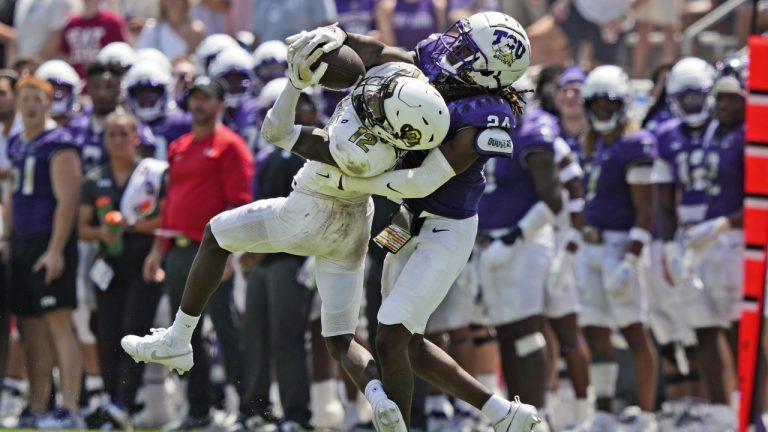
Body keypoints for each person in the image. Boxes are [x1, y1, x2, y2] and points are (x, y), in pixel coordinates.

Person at [123, 62, 451, 432]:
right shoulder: (400, 150)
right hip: (354, 229)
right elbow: (423, 182)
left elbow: (275, 130)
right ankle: (378, 399)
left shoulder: (345, 137)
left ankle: (178, 337)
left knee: (215, 234)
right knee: (341, 338)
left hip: (308, 210)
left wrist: (294, 82)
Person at [287, 11, 540, 431]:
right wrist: (336, 36)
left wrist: (352, 173)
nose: (449, 49)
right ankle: (502, 413)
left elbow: (424, 180)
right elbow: (379, 54)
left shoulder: (488, 114)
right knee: (408, 345)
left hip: (446, 227)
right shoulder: (439, 64)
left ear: (489, 69)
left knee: (391, 334)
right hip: (405, 221)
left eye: (465, 50)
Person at [128, 76, 253, 430]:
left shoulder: (231, 146)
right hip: (179, 253)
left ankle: (247, 409)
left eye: (206, 98)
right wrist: (158, 248)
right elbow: (169, 205)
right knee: (185, 336)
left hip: (213, 253)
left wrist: (229, 252)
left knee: (228, 331)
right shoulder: (179, 146)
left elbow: (239, 203)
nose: (199, 105)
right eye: (194, 98)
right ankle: (198, 410)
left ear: (219, 104)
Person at [573, 65, 659, 431]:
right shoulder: (594, 143)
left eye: (609, 106)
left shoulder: (633, 143)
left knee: (633, 331)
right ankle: (604, 410)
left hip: (620, 245)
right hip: (591, 246)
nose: (602, 113)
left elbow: (646, 207)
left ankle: (648, 413)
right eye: (597, 106)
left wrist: (632, 256)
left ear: (622, 106)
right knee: (596, 331)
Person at [77, 112, 166, 429]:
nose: (117, 140)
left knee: (134, 331)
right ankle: (112, 401)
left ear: (135, 138)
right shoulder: (94, 178)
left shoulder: (152, 175)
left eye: (123, 134)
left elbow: (168, 219)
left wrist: (132, 225)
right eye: (111, 134)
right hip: (109, 265)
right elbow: (83, 228)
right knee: (109, 334)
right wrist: (103, 232)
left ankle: (125, 402)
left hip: (143, 261)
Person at [671, 58, 747, 430]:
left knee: (742, 328)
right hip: (703, 240)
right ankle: (721, 412)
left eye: (733, 99)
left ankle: (755, 410)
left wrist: (724, 223)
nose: (724, 105)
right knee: (705, 325)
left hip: (738, 241)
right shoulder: (712, 132)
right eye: (720, 98)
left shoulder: (752, 133)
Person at [7, 76, 83, 428]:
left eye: (38, 99)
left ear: (48, 103)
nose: (32, 106)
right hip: (21, 244)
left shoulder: (59, 143)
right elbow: (11, 199)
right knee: (30, 328)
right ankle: (37, 405)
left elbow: (67, 201)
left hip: (48, 242)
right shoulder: (16, 142)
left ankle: (70, 407)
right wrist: (7, 239)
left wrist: (55, 250)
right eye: (26, 99)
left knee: (58, 324)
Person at [653, 57, 714, 404]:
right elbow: (663, 199)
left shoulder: (726, 128)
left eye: (697, 96)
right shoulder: (666, 135)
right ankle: (706, 407)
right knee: (694, 324)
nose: (692, 105)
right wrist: (669, 248)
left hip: (722, 227)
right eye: (685, 98)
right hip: (687, 234)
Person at [122, 60, 192, 161]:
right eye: (140, 92)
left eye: (152, 91)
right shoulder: (121, 125)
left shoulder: (183, 122)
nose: (146, 98)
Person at [59, 0, 127, 79]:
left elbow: (122, 53)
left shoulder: (112, 22)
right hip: (78, 82)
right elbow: (64, 54)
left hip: (103, 84)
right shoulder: (70, 23)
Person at [135, 0, 205, 60]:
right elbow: (141, 55)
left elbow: (196, 60)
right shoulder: (152, 29)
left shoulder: (195, 29)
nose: (172, 1)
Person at [33, 60, 83, 127]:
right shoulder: (27, 131)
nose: (56, 94)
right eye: (50, 89)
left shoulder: (83, 129)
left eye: (61, 89)